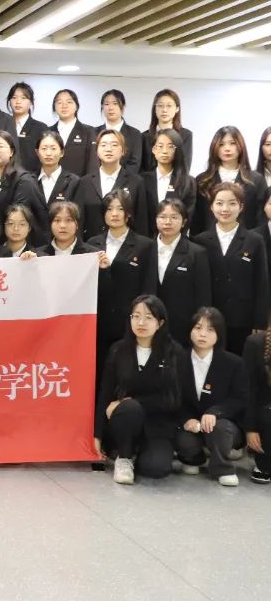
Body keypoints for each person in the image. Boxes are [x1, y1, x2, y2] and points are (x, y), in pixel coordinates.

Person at [94, 295, 183, 484]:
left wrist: (132, 401)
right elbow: (105, 393)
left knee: (156, 469)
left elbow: (173, 399)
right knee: (130, 409)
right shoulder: (119, 350)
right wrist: (97, 435)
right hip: (126, 419)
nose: (141, 323)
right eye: (136, 316)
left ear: (160, 323)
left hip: (157, 423)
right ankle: (124, 457)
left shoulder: (173, 352)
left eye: (148, 317)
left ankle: (142, 453)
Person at [191, 182, 270, 355]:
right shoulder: (199, 241)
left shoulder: (254, 240)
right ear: (211, 207)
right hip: (209, 318)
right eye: (219, 203)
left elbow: (261, 283)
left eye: (232, 203)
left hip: (243, 319)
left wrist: (260, 322)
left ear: (241, 207)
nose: (225, 209)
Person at [87, 189, 156, 375]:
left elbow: (149, 286)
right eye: (109, 209)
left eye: (120, 209)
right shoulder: (92, 244)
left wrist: (142, 317)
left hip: (129, 321)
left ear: (129, 213)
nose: (115, 214)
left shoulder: (145, 245)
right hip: (98, 320)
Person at [175, 307, 248, 487]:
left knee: (219, 429)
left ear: (219, 334)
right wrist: (186, 419)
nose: (202, 334)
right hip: (194, 424)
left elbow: (239, 399)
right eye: (198, 327)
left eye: (210, 329)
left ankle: (223, 468)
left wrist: (215, 412)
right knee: (184, 440)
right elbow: (174, 397)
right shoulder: (178, 359)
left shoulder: (233, 363)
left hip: (224, 423)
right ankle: (194, 458)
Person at [153, 199, 212, 347]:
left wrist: (200, 325)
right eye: (162, 217)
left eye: (174, 217)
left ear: (184, 221)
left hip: (183, 325)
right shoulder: (145, 248)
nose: (168, 222)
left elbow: (203, 295)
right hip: (150, 322)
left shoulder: (197, 253)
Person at [192, 126, 268, 234]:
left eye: (232, 143)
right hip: (209, 241)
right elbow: (197, 220)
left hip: (247, 241)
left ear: (240, 145)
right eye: (221, 144)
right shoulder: (203, 180)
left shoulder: (256, 180)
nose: (227, 148)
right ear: (214, 147)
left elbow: (261, 218)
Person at [76, 129, 148, 240]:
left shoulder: (136, 182)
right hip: (91, 244)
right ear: (97, 151)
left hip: (126, 245)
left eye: (114, 145)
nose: (108, 149)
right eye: (103, 145)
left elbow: (141, 222)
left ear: (123, 150)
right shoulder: (84, 182)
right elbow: (79, 221)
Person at [0, 129, 47, 246]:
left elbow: (15, 217)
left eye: (0, 146)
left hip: (14, 245)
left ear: (12, 151)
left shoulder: (23, 180)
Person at [141, 128, 195, 233]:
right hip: (146, 239)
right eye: (160, 146)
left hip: (175, 238)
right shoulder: (141, 180)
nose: (165, 151)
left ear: (177, 150)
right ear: (153, 149)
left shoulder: (188, 182)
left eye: (170, 146)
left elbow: (188, 216)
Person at [242, 329, 271, 484]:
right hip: (264, 409)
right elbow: (249, 389)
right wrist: (250, 428)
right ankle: (264, 464)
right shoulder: (256, 343)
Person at [49, 89, 96, 178]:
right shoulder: (48, 132)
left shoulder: (88, 131)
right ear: (54, 107)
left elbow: (92, 164)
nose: (64, 106)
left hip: (80, 183)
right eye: (59, 102)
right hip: (52, 182)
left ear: (76, 106)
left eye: (69, 102)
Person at [143, 89, 193, 172]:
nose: (164, 110)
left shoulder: (185, 135)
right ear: (155, 109)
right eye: (160, 106)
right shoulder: (144, 137)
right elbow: (141, 169)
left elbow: (185, 167)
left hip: (177, 180)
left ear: (177, 109)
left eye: (169, 106)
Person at [96, 89, 143, 173]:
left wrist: (116, 178)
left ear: (123, 107)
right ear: (102, 107)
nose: (110, 108)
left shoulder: (135, 134)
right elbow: (92, 162)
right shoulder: (94, 132)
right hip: (98, 179)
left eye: (115, 103)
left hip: (126, 179)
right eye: (106, 104)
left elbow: (134, 164)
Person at [7, 82, 49, 176]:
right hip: (6, 178)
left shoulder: (41, 128)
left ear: (31, 102)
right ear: (9, 101)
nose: (18, 101)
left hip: (32, 178)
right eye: (14, 97)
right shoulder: (3, 125)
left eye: (23, 98)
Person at [35, 130, 80, 207]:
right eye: (44, 148)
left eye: (53, 148)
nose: (48, 153)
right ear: (37, 152)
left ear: (62, 152)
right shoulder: (29, 180)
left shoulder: (73, 181)